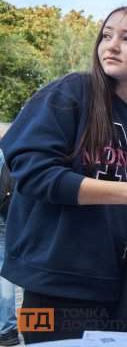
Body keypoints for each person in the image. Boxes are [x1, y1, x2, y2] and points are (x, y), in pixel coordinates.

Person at [0, 6, 127, 343]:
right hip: (49, 283)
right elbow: (35, 175)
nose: (111, 45)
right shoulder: (71, 93)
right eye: (107, 35)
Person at [0, 135, 18, 347]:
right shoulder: (18, 146)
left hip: (2, 218)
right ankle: (36, 326)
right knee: (30, 267)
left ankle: (7, 330)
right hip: (20, 213)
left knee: (3, 271)